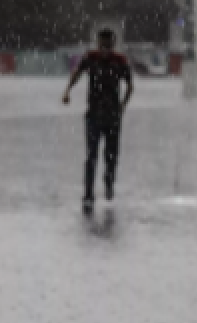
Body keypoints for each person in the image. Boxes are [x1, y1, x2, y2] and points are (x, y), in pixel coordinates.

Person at [61, 29, 133, 213]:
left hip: (113, 116)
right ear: (97, 44)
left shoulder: (119, 61)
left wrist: (123, 106)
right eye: (102, 45)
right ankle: (88, 192)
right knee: (91, 155)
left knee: (111, 155)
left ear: (113, 45)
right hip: (93, 115)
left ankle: (108, 184)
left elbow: (130, 86)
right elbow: (77, 73)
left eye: (108, 45)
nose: (104, 49)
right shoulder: (90, 58)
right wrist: (67, 90)